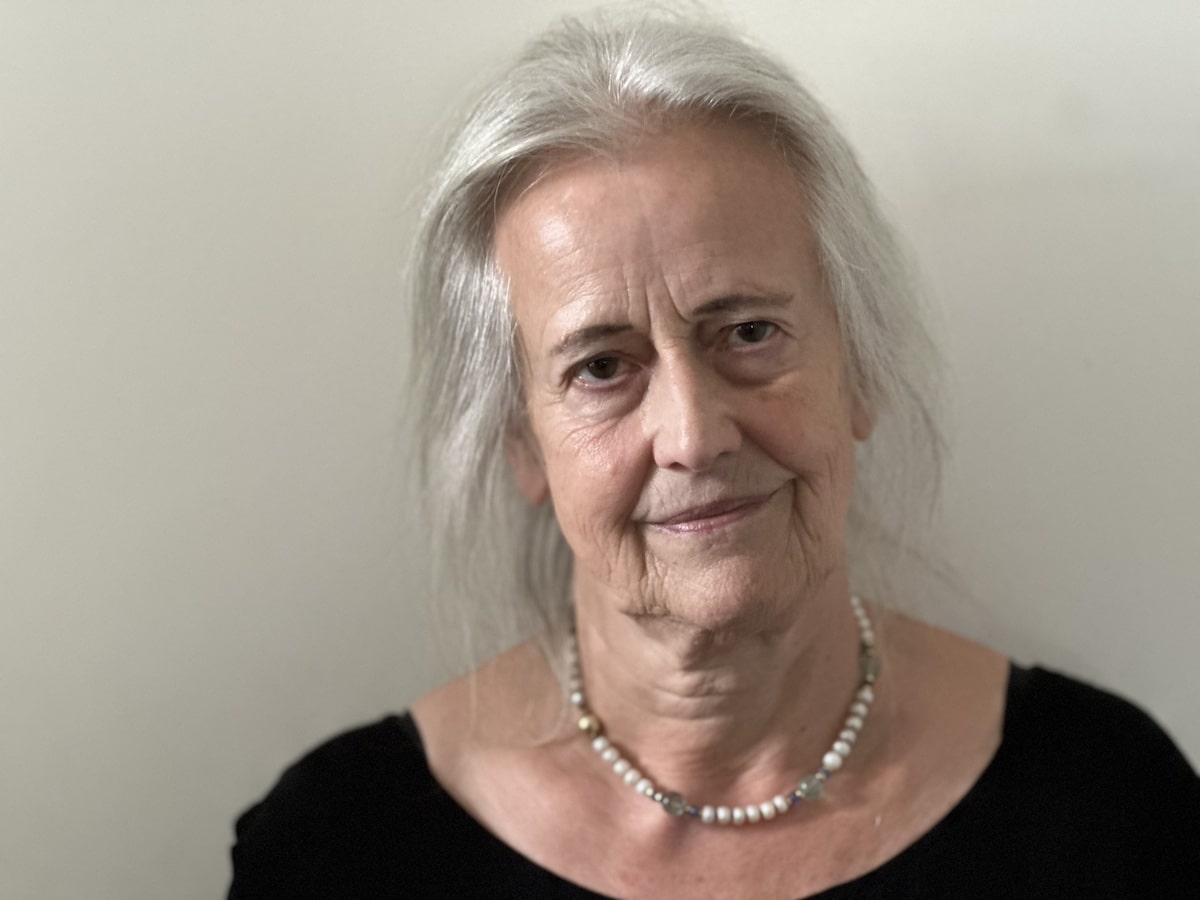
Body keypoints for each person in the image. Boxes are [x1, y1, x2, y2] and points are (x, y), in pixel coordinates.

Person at [227, 8, 1199, 898]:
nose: (693, 435)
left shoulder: (1109, 809)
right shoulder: (341, 852)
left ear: (858, 371)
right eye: (601, 367)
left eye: (748, 333)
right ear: (522, 442)